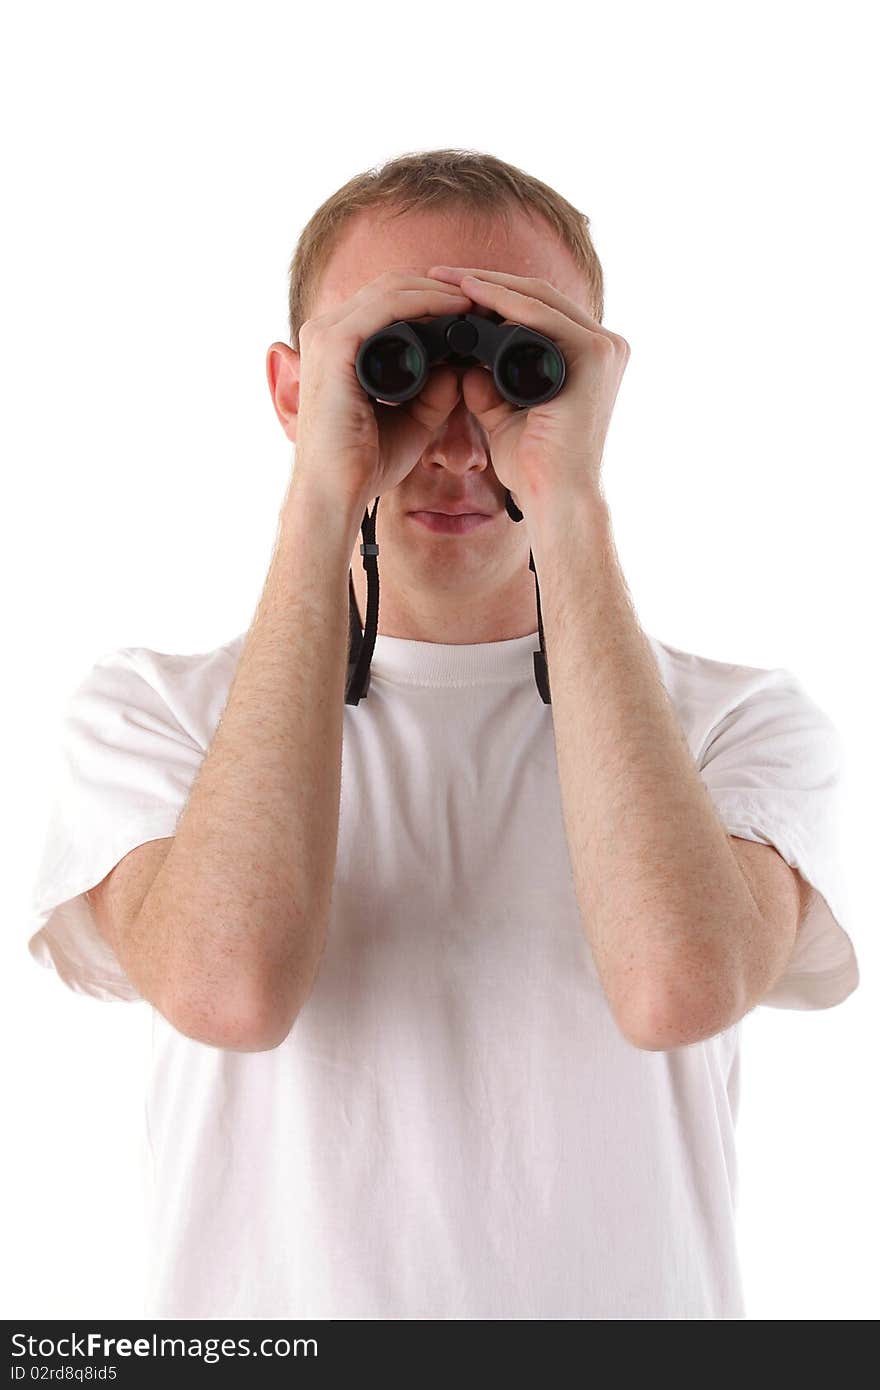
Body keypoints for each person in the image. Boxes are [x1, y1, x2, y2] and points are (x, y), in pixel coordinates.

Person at [26, 149, 859, 1321]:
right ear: (290, 390)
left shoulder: (733, 727)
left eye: (523, 368)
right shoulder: (157, 718)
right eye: (393, 365)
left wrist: (567, 502)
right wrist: (325, 490)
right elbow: (231, 987)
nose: (456, 438)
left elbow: (677, 987)